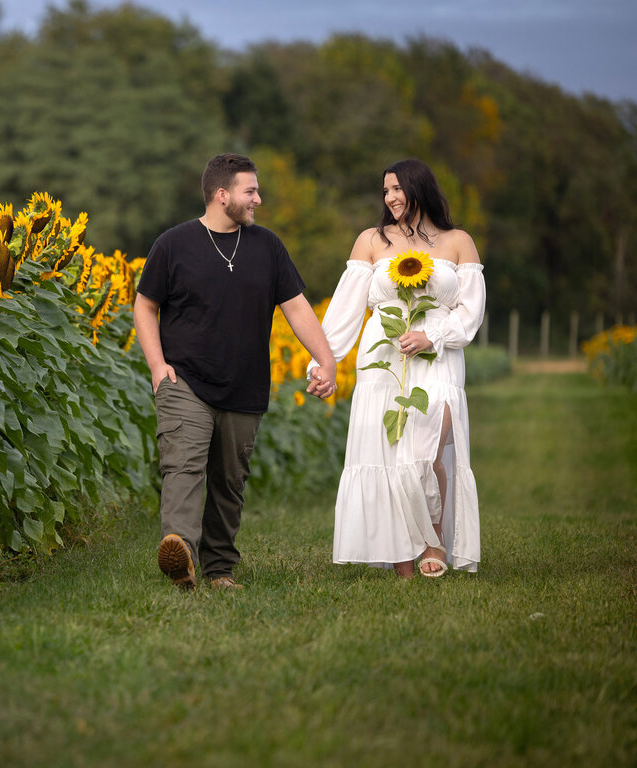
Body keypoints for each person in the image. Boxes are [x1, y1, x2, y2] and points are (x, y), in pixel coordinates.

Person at [133, 153, 337, 591]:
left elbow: (297, 307)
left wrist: (327, 359)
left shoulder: (267, 246)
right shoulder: (173, 244)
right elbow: (145, 304)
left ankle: (219, 569)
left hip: (245, 385)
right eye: (251, 191)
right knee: (183, 468)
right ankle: (180, 553)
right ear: (222, 195)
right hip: (184, 381)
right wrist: (157, 366)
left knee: (229, 483)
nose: (258, 199)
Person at [306, 158, 485, 578]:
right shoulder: (372, 240)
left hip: (437, 357)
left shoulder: (458, 241)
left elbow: (471, 311)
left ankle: (434, 539)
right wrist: (324, 363)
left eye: (397, 189)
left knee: (426, 449)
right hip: (382, 359)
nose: (390, 198)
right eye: (385, 191)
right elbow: (346, 310)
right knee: (388, 455)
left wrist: (434, 337)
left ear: (419, 188)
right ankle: (406, 557)